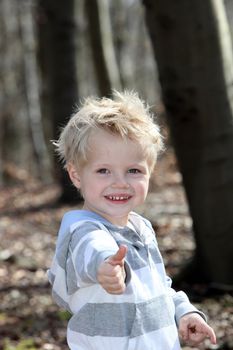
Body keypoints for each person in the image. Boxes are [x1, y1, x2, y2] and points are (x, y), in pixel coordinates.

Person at [48, 91, 216, 350]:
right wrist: (105, 267)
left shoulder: (141, 229)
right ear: (76, 175)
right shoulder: (80, 229)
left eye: (134, 170)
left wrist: (184, 312)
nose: (120, 182)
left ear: (149, 173)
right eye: (103, 170)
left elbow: (157, 287)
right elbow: (94, 251)